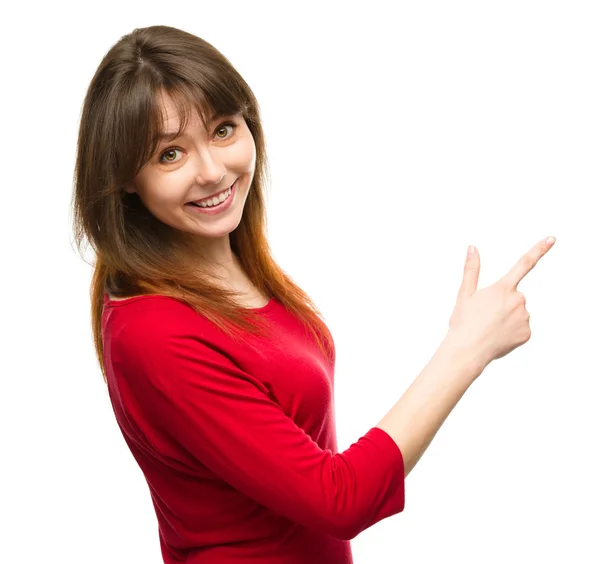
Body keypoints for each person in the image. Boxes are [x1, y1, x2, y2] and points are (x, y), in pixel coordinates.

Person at [71, 25, 556, 564]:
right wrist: (467, 348)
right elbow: (338, 498)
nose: (212, 171)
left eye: (223, 129)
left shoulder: (227, 267)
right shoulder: (154, 333)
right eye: (170, 155)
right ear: (125, 179)